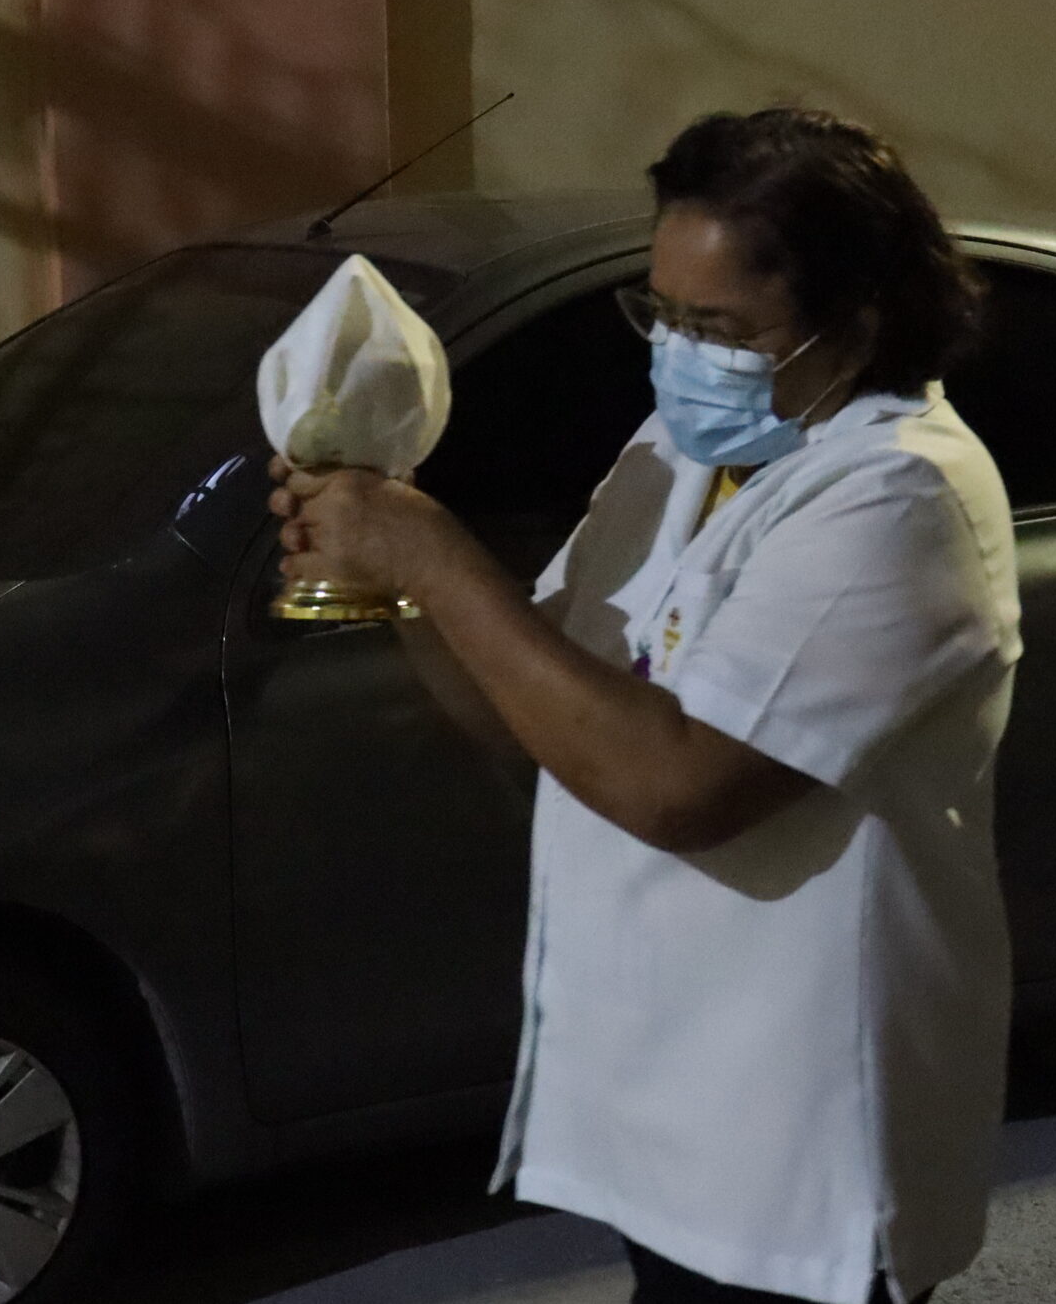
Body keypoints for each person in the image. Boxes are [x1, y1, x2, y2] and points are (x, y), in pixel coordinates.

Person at [268, 108, 1017, 1304]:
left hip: (797, 1128)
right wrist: (381, 566)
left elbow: (677, 787)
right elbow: (537, 707)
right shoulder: (680, 450)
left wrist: (432, 557)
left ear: (857, 320)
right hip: (664, 1097)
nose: (679, 355)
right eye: (660, 313)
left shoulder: (896, 495)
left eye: (718, 328)